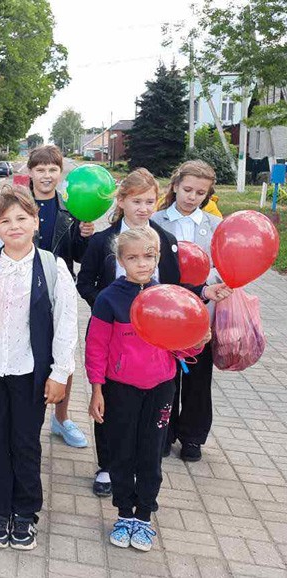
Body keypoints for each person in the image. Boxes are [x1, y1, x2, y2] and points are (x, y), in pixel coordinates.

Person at [77, 168, 229, 497]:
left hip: (154, 341)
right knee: (111, 403)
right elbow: (85, 282)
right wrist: (107, 306)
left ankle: (140, 464)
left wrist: (204, 292)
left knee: (148, 405)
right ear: (121, 201)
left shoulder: (166, 241)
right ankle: (106, 465)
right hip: (113, 335)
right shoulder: (103, 240)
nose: (143, 208)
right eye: (136, 201)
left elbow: (176, 289)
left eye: (149, 201)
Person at [0, 187, 78, 550]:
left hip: (29, 371)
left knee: (25, 443)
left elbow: (66, 323)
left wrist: (59, 373)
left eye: (21, 219)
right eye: (5, 220)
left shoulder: (52, 267)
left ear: (36, 223)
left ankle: (25, 513)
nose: (14, 226)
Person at [86, 227, 212, 552]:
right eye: (133, 257)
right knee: (122, 452)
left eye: (148, 256)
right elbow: (96, 348)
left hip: (160, 389)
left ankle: (144, 515)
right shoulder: (108, 299)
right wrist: (97, 389)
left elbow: (180, 348)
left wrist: (197, 343)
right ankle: (124, 513)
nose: (142, 263)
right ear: (120, 260)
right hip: (121, 390)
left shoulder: (169, 298)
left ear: (157, 258)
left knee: (152, 453)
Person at [151, 160, 222, 462]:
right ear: (176, 185)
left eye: (200, 193)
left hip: (200, 313)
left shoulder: (215, 226)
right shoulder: (155, 221)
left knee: (197, 376)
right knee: (166, 377)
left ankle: (192, 436)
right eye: (188, 189)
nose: (192, 197)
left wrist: (206, 284)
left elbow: (222, 265)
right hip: (164, 313)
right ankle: (163, 432)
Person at [27, 145, 93, 449]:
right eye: (40, 169)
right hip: (24, 290)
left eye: (52, 169)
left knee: (62, 354)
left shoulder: (70, 211)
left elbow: (78, 256)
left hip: (59, 293)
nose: (46, 175)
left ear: (60, 173)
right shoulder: (17, 206)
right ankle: (25, 415)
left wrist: (84, 236)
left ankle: (62, 418)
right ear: (29, 172)